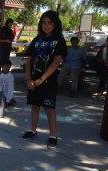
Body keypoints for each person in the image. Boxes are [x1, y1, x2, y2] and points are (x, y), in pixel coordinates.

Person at [22, 10, 67, 148]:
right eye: (44, 23)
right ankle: (33, 130)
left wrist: (42, 78)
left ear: (55, 24)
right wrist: (29, 79)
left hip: (48, 81)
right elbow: (28, 60)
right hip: (33, 80)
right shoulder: (36, 40)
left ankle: (52, 135)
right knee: (35, 106)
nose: (46, 26)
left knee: (49, 108)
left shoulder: (58, 40)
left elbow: (56, 61)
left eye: (49, 23)